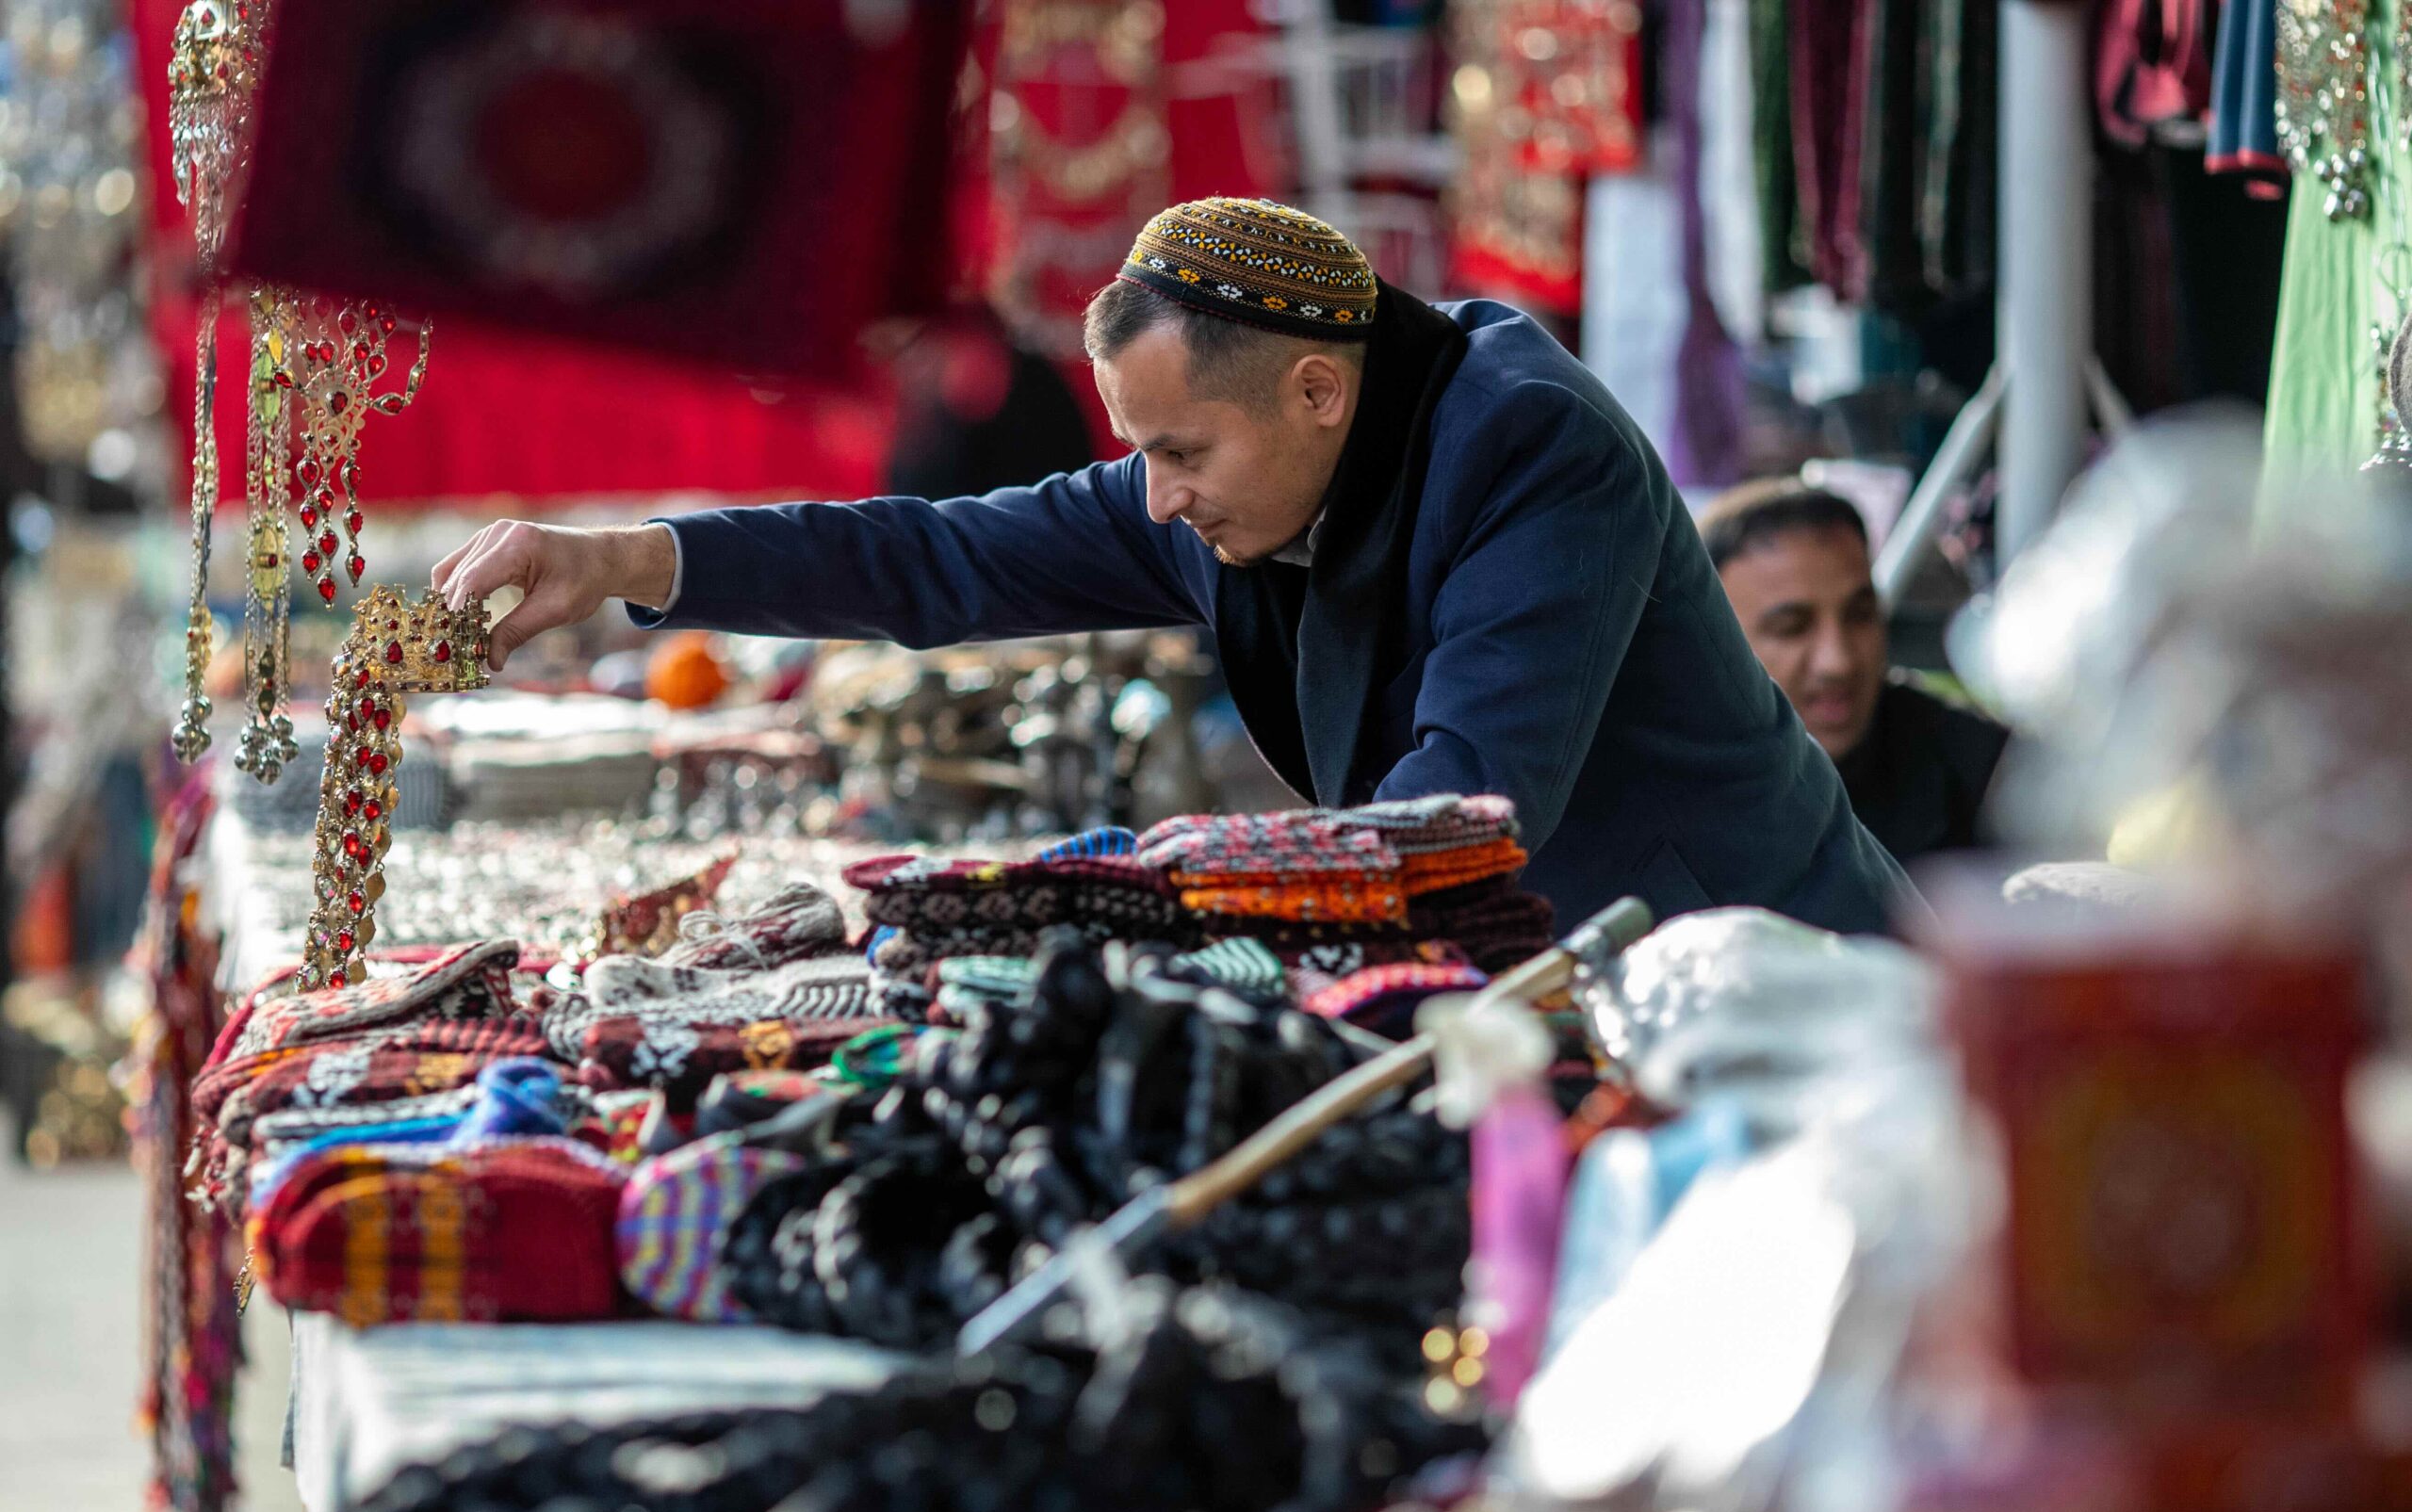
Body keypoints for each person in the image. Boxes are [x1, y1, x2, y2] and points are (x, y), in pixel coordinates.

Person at [435, 198, 1907, 935]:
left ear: (1319, 392)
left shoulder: (1531, 450)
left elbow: (1462, 812)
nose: (1156, 499)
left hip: (1771, 974)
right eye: (1140, 452)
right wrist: (629, 557)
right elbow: (939, 558)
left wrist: (1131, 897)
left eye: (1181, 452)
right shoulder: (1241, 474)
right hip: (1566, 980)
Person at [1701, 479, 2010, 863]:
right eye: (1792, 627)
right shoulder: (1662, 790)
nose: (1838, 661)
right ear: (1713, 642)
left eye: (1859, 615)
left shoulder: (1982, 769)